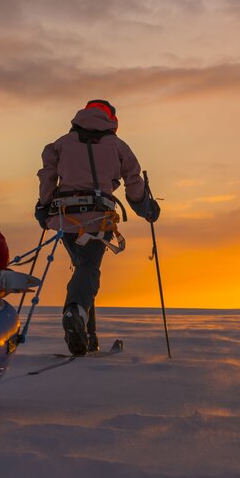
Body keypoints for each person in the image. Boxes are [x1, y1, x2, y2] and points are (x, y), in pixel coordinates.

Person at [34, 99, 160, 355]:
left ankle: (88, 337)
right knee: (89, 269)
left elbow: (47, 175)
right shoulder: (118, 146)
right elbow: (133, 182)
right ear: (112, 120)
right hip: (98, 217)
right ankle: (75, 313)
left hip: (65, 218)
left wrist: (43, 205)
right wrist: (146, 207)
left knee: (84, 268)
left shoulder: (61, 143)